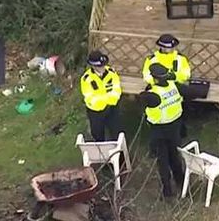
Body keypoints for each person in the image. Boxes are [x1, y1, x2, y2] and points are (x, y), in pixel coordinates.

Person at [138, 63, 205, 199]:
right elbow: (193, 93)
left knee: (163, 161)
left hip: (159, 131)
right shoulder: (175, 87)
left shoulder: (152, 95)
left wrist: (149, 88)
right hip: (174, 128)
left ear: (154, 78)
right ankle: (181, 182)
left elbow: (140, 100)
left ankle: (167, 191)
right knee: (175, 157)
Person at [80, 50, 123, 142]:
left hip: (111, 107)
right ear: (93, 66)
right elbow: (91, 99)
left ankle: (117, 149)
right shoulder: (87, 79)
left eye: (104, 65)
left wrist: (106, 99)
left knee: (116, 131)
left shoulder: (112, 73)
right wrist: (108, 98)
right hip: (95, 112)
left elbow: (117, 90)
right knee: (98, 135)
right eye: (100, 66)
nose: (103, 68)